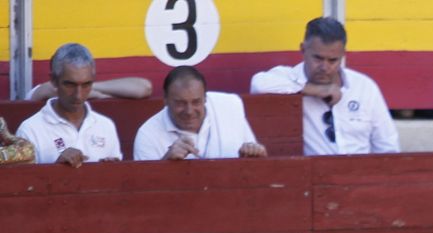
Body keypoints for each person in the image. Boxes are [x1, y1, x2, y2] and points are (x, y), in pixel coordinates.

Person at [250, 17, 399, 156]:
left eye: (333, 60)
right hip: (312, 178)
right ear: (303, 49)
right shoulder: (288, 77)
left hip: (359, 176)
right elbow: (258, 84)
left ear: (343, 55)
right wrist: (311, 89)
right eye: (318, 58)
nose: (324, 67)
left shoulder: (364, 87)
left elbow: (387, 145)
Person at [15, 43, 122, 167]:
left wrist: (110, 170)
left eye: (86, 85)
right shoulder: (30, 130)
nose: (78, 95)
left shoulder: (105, 125)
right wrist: (57, 167)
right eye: (70, 85)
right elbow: (26, 183)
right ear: (54, 81)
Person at [134, 66, 267, 161]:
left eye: (196, 102)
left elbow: (256, 160)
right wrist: (167, 161)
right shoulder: (148, 134)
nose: (189, 111)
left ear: (205, 98)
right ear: (166, 100)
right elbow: (144, 191)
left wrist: (256, 152)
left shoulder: (229, 106)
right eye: (180, 103)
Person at [27, 76, 150, 102]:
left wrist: (90, 88)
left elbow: (144, 88)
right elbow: (50, 89)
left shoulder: (92, 88)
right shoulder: (49, 88)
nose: (79, 93)